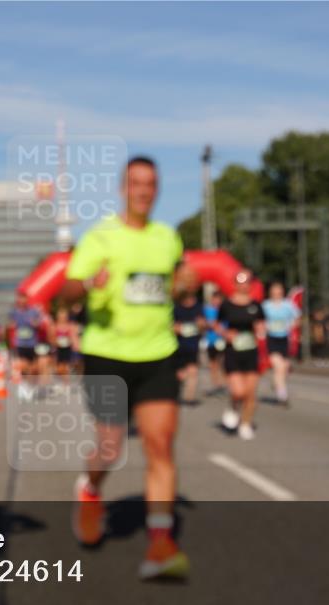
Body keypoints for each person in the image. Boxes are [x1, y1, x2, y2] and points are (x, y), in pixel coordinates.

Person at [60, 155, 194, 580]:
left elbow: (175, 280)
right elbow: (66, 291)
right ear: (123, 187)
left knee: (160, 444)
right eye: (136, 183)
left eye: (150, 184)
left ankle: (159, 543)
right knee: (111, 447)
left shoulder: (167, 237)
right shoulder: (99, 237)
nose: (143, 191)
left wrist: (185, 282)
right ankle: (90, 490)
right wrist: (85, 285)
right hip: (107, 353)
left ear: (156, 189)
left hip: (157, 352)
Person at [213, 271, 265, 441]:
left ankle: (245, 424)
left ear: (250, 285)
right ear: (234, 285)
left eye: (247, 282)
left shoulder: (256, 305)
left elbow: (261, 324)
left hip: (251, 351)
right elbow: (217, 324)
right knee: (238, 391)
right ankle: (234, 407)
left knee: (250, 393)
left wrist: (261, 330)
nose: (243, 285)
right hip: (233, 351)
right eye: (240, 282)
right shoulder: (227, 304)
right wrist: (225, 333)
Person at [262, 282, 300, 406]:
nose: (277, 292)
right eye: (274, 290)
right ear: (270, 292)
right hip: (271, 338)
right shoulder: (266, 305)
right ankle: (282, 395)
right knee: (278, 366)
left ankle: (277, 383)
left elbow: (297, 317)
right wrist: (264, 328)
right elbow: (260, 320)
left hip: (284, 338)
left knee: (284, 368)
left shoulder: (288, 305)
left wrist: (292, 325)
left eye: (279, 290)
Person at [173, 288, 205, 406]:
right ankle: (176, 392)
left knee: (193, 371)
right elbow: (171, 326)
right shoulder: (176, 308)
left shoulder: (198, 307)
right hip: (179, 345)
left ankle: (189, 398)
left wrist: (201, 325)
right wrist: (177, 328)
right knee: (180, 373)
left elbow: (203, 325)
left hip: (193, 344)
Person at [7, 291, 44, 385]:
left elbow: (40, 324)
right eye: (20, 299)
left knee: (34, 368)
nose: (22, 301)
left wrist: (35, 323)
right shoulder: (14, 312)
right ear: (18, 301)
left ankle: (33, 384)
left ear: (27, 300)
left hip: (32, 343)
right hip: (20, 343)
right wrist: (11, 327)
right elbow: (9, 325)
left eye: (24, 299)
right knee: (23, 365)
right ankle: (26, 385)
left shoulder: (33, 311)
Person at [203, 291, 226, 395]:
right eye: (215, 299)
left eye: (219, 299)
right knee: (213, 364)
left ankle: (224, 385)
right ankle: (216, 385)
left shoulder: (225, 310)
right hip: (211, 341)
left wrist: (220, 328)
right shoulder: (206, 310)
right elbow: (202, 323)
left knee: (223, 363)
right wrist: (210, 325)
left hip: (223, 340)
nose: (217, 301)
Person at [52, 307, 79, 380]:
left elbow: (74, 338)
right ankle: (63, 383)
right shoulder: (54, 326)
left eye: (64, 317)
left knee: (67, 368)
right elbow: (51, 338)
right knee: (59, 368)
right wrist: (55, 342)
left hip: (68, 349)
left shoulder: (71, 326)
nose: (62, 318)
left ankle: (66, 385)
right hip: (58, 349)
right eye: (61, 317)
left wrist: (75, 347)